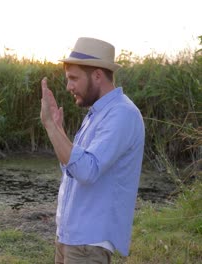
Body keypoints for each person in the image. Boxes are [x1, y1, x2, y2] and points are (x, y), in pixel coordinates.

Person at [39, 37, 145, 263]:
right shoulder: (97, 114)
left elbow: (87, 170)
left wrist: (50, 127)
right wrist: (58, 130)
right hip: (71, 236)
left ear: (97, 75)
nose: (69, 87)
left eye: (73, 78)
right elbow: (73, 167)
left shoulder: (122, 114)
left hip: (89, 242)